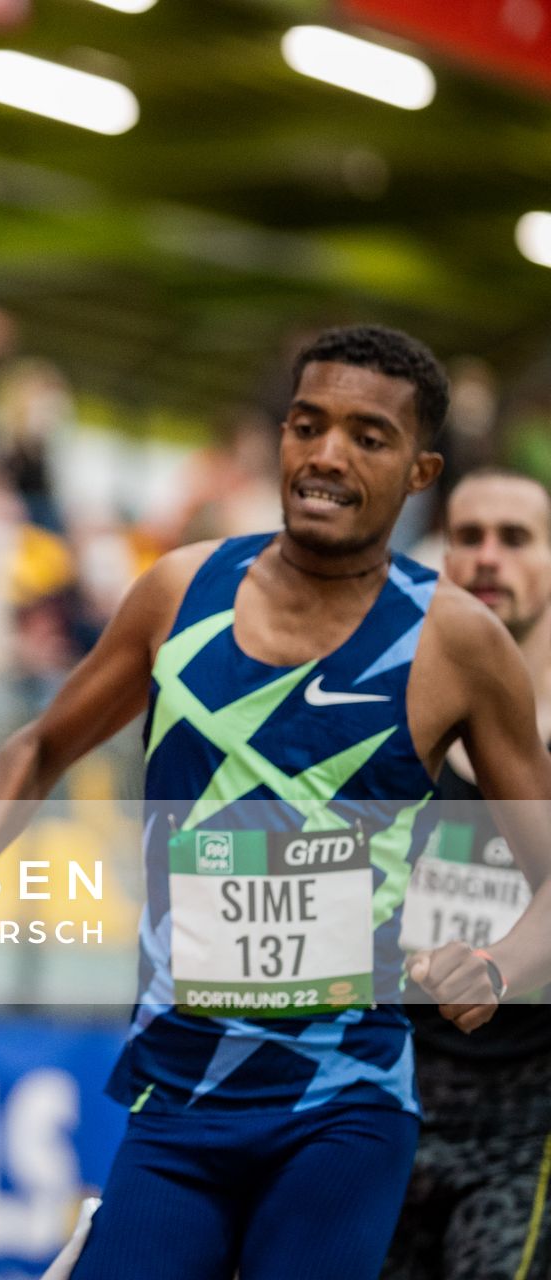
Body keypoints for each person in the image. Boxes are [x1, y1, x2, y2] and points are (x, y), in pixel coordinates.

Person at [0, 325, 551, 1280]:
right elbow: (37, 747)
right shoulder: (179, 591)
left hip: (345, 1102)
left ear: (419, 471)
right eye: (308, 425)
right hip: (178, 1097)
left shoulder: (457, 643)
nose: (326, 454)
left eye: (368, 437)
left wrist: (494, 964)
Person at [382, 469, 551, 1280]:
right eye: (468, 536)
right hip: (390, 1094)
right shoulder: (392, 714)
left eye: (515, 538)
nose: (488, 558)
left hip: (527, 1116)